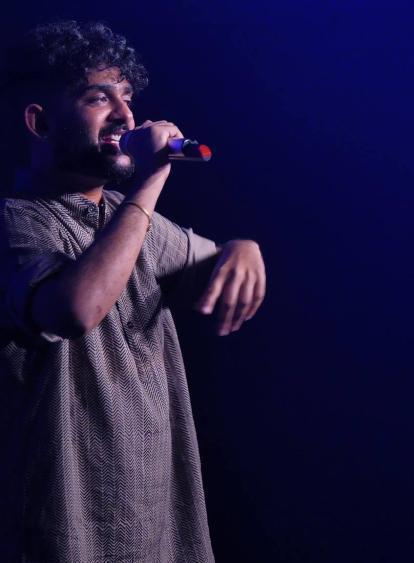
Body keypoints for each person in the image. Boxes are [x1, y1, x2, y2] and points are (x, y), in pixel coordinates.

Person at [0, 21, 265, 561]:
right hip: (62, 535)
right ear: (40, 121)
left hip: (156, 533)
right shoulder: (17, 222)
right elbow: (74, 309)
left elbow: (215, 264)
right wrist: (151, 178)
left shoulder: (129, 220)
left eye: (128, 99)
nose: (126, 117)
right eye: (100, 98)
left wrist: (242, 248)